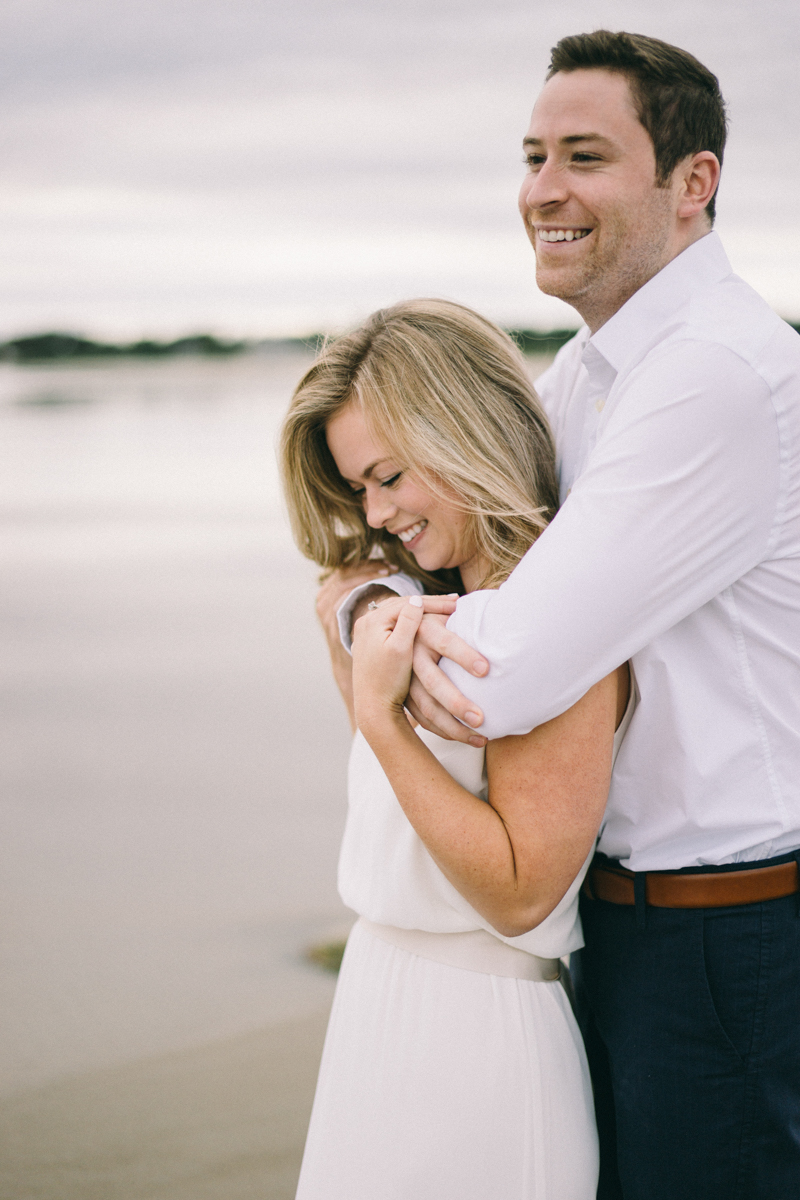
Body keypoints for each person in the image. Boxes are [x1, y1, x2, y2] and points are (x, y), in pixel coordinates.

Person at [342, 30, 800, 1200]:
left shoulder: (711, 373)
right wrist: (368, 608)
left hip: (729, 932)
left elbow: (502, 667)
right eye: (533, 154)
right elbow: (445, 540)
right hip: (632, 929)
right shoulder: (586, 374)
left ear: (690, 183)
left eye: (584, 156)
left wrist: (376, 656)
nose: (542, 189)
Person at [280, 298, 632, 1199]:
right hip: (380, 999)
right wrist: (359, 626)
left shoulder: (547, 619)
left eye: (390, 476)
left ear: (461, 431)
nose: (377, 510)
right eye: (359, 487)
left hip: (478, 1036)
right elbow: (406, 794)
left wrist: (381, 720)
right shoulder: (440, 603)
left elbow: (521, 892)